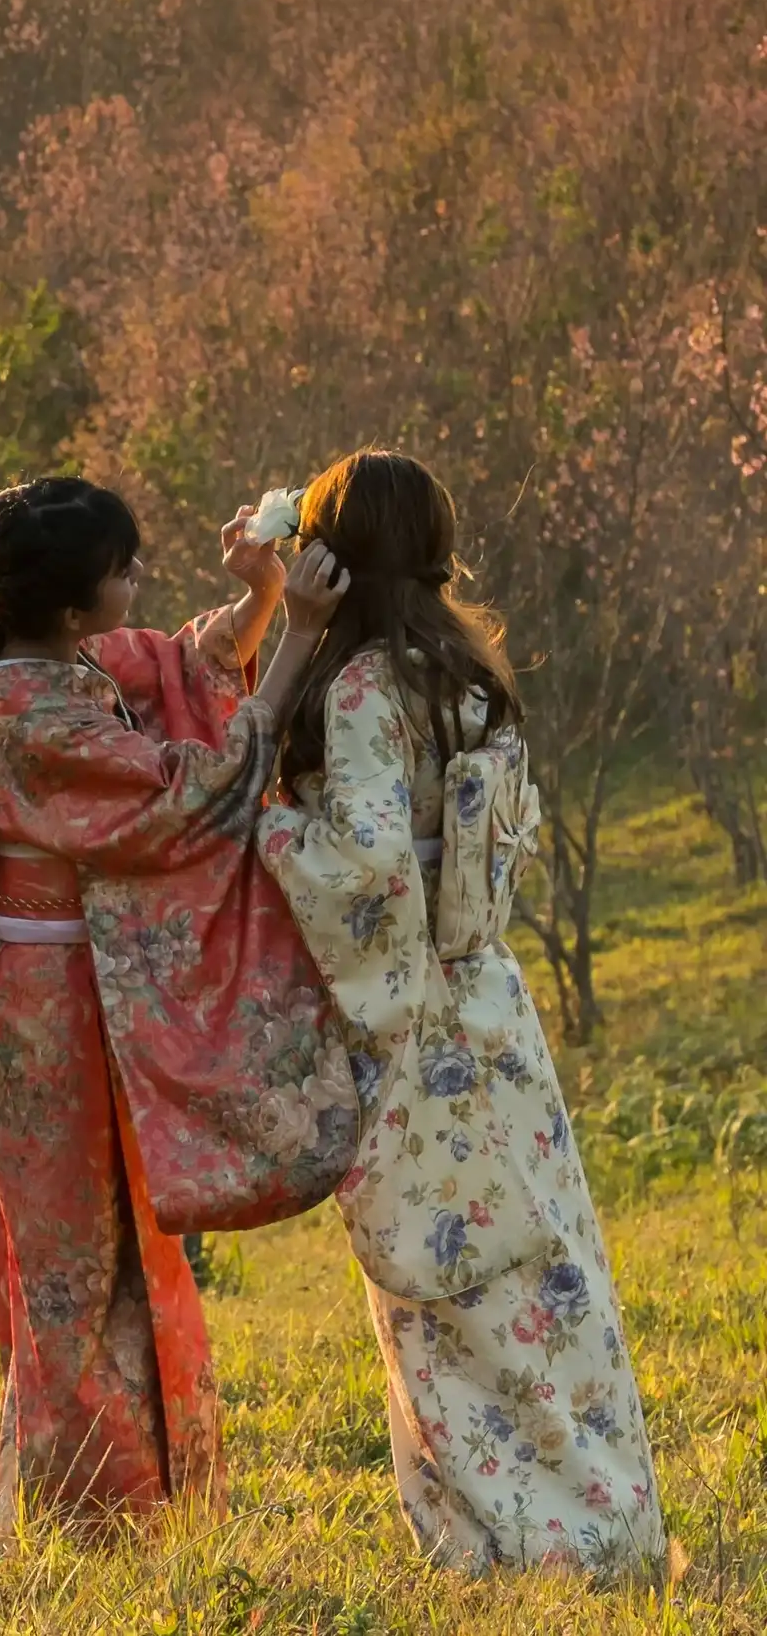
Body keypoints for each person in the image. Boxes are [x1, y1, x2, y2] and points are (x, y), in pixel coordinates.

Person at [258, 449, 665, 1578]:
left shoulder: (359, 692)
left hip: (412, 1026)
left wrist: (265, 822)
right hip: (493, 1004)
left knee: (445, 1287)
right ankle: (609, 1517)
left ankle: (509, 1538)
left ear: (334, 556)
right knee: (545, 1269)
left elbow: (367, 873)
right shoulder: (472, 677)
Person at [0, 475, 350, 1530]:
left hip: (57, 995)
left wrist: (258, 598)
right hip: (38, 1014)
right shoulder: (36, 720)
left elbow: (177, 664)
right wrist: (300, 635)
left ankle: (123, 1505)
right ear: (76, 606)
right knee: (72, 1266)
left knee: (112, 1248)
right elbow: (193, 789)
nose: (138, 582)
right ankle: (87, 1518)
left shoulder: (43, 669)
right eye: (124, 571)